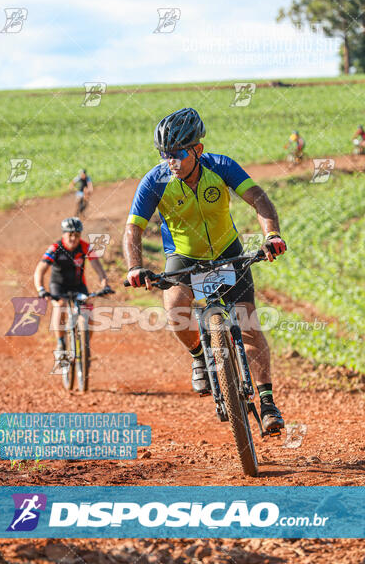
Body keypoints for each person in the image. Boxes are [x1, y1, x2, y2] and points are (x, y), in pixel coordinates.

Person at [123, 107, 287, 433]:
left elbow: (258, 199)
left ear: (197, 149)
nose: (170, 161)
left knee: (248, 322)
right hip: (183, 256)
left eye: (178, 154)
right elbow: (133, 230)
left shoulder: (221, 166)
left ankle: (267, 401)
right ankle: (199, 355)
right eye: (164, 154)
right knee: (174, 309)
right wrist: (135, 267)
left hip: (228, 251)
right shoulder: (155, 181)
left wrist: (272, 235)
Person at [34, 217, 111, 359]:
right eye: (70, 234)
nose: (73, 238)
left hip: (78, 285)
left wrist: (104, 283)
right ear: (63, 234)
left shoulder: (85, 247)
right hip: (58, 285)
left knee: (88, 311)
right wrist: (41, 289)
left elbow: (98, 267)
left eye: (76, 235)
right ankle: (60, 342)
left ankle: (84, 343)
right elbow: (40, 269)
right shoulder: (55, 248)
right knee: (61, 305)